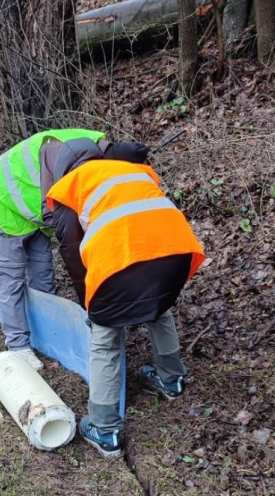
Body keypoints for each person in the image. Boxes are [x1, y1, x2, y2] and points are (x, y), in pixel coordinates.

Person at [46, 138, 205, 458]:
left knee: (105, 336)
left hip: (122, 263)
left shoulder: (70, 186)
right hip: (175, 255)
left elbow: (72, 251)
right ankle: (171, 379)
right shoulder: (131, 170)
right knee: (159, 308)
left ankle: (105, 431)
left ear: (64, 168)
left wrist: (90, 303)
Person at [0, 129, 148, 369]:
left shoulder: (95, 148)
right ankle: (18, 346)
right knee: (11, 278)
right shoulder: (66, 167)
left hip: (33, 199)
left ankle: (47, 336)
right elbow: (71, 245)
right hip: (5, 198)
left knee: (43, 273)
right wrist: (89, 305)